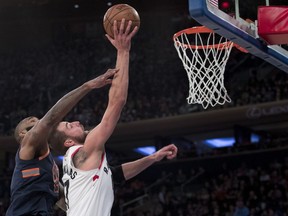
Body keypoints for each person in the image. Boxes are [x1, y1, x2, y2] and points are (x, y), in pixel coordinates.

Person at [48, 19, 178, 216]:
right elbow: (117, 103)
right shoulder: (84, 150)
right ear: (68, 141)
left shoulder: (77, 163)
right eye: (69, 125)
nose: (76, 121)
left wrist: (153, 157)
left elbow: (116, 173)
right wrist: (123, 52)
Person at [5, 67, 118, 215]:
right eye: (33, 122)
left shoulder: (49, 164)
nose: (39, 123)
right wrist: (88, 86)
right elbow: (50, 119)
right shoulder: (27, 146)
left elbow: (64, 197)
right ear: (23, 133)